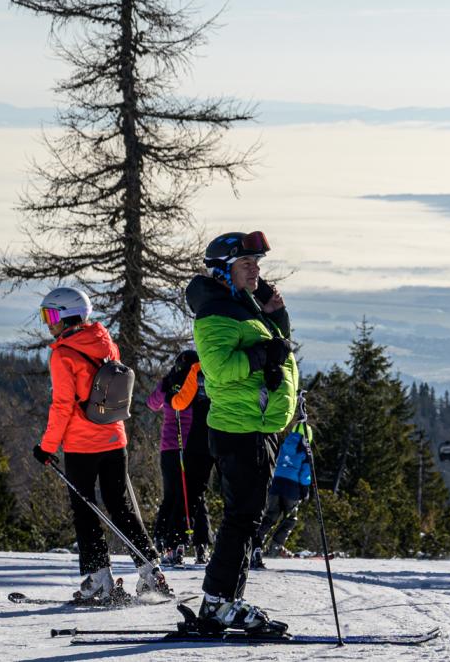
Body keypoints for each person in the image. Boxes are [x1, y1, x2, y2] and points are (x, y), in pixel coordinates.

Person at [189, 231, 300, 635]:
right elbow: (219, 368)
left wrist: (275, 315)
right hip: (241, 427)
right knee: (242, 518)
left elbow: (277, 348)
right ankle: (218, 602)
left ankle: (221, 602)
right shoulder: (216, 311)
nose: (255, 270)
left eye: (257, 263)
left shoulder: (242, 306)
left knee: (246, 518)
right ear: (223, 270)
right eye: (246, 264)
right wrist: (261, 354)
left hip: (257, 424)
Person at [33, 286, 170, 604]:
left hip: (82, 444)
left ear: (68, 317)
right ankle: (151, 572)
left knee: (85, 509)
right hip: (114, 438)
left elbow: (63, 405)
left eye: (50, 315)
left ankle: (99, 580)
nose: (47, 323)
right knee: (121, 507)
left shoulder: (63, 354)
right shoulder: (106, 344)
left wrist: (47, 446)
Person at [147, 348, 212, 566]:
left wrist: (165, 385)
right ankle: (201, 545)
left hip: (170, 447)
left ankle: (164, 540)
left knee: (172, 495)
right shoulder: (199, 385)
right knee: (194, 497)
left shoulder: (169, 383)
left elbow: (152, 403)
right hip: (193, 445)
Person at [252, 426, 312, 566]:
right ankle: (274, 548)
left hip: (276, 483)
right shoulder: (305, 450)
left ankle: (256, 544)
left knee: (270, 517)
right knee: (290, 518)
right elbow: (305, 474)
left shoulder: (285, 444)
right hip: (292, 488)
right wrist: (305, 491)